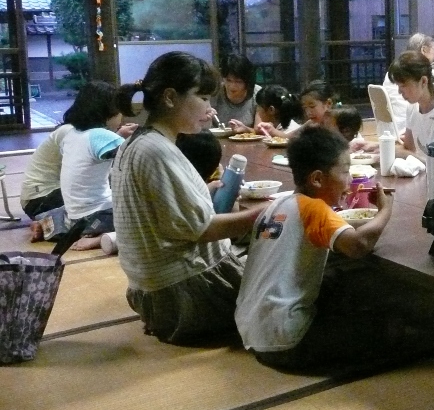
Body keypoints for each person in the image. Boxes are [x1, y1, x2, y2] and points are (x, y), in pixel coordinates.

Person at [111, 52, 266, 344]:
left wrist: (206, 192)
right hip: (188, 294)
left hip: (157, 292)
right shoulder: (157, 151)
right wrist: (266, 213)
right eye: (203, 97)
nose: (209, 108)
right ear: (170, 97)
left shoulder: (137, 142)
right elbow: (203, 230)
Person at [235, 126, 395, 370]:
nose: (350, 180)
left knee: (335, 279)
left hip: (252, 334)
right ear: (318, 179)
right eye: (345, 171)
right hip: (289, 342)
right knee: (388, 327)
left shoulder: (277, 204)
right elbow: (358, 245)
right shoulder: (314, 208)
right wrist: (385, 210)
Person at [55, 81, 126, 250]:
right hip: (100, 215)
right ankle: (102, 238)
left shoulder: (70, 134)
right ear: (108, 112)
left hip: (74, 218)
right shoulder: (102, 136)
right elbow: (137, 157)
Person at [382, 33, 434, 134]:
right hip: (406, 126)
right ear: (424, 50)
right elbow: (432, 104)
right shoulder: (424, 74)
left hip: (391, 128)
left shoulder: (394, 72)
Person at [256, 80, 335, 139]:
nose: (308, 112)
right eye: (305, 108)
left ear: (328, 104)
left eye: (312, 106)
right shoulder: (311, 123)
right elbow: (289, 137)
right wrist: (272, 131)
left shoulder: (337, 121)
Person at [211, 54, 259, 131]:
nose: (232, 86)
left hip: (248, 138)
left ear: (247, 81)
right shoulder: (214, 92)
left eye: (238, 81)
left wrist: (246, 129)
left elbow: (261, 131)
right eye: (228, 80)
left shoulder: (257, 94)